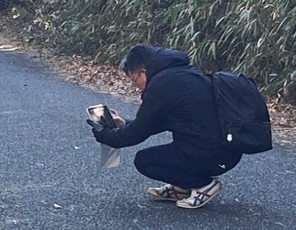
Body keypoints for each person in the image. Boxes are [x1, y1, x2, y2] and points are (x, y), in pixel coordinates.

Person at [88, 43, 242, 209]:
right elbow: (154, 122)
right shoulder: (181, 73)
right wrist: (123, 123)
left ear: (143, 72)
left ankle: (203, 185)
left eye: (135, 81)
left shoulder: (161, 86)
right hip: (226, 150)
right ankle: (182, 188)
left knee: (145, 161)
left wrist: (103, 134)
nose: (137, 87)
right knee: (168, 152)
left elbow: (136, 134)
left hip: (213, 154)